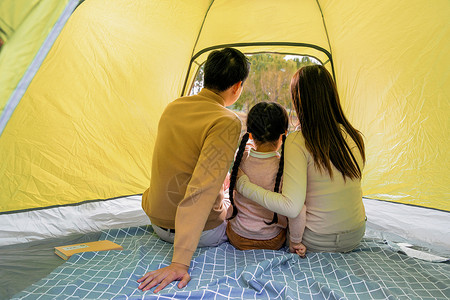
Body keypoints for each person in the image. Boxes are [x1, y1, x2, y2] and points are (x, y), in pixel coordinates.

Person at [138, 48, 250, 293]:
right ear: (237, 86)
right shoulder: (226, 120)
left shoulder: (173, 107)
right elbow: (202, 190)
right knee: (244, 212)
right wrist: (180, 261)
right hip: (201, 235)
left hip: (157, 222)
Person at [236, 65, 366, 254]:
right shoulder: (355, 136)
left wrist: (242, 185)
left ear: (299, 99)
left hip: (317, 240)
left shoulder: (299, 141)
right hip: (356, 234)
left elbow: (291, 206)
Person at [225, 102, 306, 256]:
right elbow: (298, 212)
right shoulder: (284, 168)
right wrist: (295, 242)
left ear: (250, 134)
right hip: (272, 240)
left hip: (237, 237)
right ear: (284, 134)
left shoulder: (241, 157)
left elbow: (248, 145)